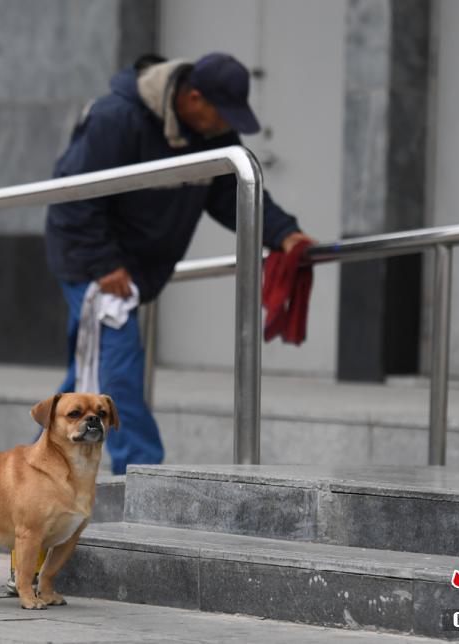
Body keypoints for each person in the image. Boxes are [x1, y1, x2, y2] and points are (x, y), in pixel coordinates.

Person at [44, 52, 315, 475]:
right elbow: (73, 194)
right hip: (94, 264)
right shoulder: (117, 118)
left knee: (85, 382)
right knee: (116, 375)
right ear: (191, 98)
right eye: (221, 112)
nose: (226, 125)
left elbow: (233, 196)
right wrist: (103, 263)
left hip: (132, 271)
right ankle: (142, 478)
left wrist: (283, 232)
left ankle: (26, 481)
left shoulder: (213, 135)